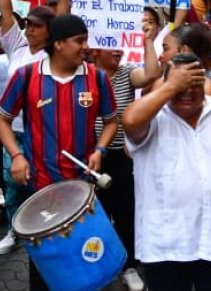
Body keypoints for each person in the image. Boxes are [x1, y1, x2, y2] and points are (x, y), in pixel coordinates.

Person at [121, 43, 211, 291]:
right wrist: (171, 86)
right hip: (167, 246)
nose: (186, 93)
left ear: (204, 83)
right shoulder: (153, 119)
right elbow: (130, 120)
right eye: (179, 86)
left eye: (193, 85)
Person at [0, 14, 119, 291]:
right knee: (46, 263)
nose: (86, 47)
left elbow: (111, 122)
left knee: (86, 258)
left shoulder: (97, 78)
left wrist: (100, 149)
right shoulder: (27, 76)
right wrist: (17, 156)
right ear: (59, 44)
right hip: (41, 189)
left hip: (83, 190)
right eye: (79, 41)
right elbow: (2, 120)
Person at [89, 26, 163, 291]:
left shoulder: (126, 72)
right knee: (95, 214)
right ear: (95, 49)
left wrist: (148, 41)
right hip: (89, 157)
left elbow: (152, 74)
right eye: (111, 46)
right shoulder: (84, 75)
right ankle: (97, 267)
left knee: (124, 211)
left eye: (119, 46)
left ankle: (128, 265)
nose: (118, 51)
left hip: (122, 154)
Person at [0, 0, 55, 255]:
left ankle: (42, 229)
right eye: (28, 25)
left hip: (43, 132)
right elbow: (6, 13)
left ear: (50, 31)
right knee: (12, 182)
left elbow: (64, 14)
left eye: (36, 26)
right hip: (14, 129)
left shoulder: (55, 54)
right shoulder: (17, 46)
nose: (29, 30)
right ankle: (15, 230)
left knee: (41, 185)